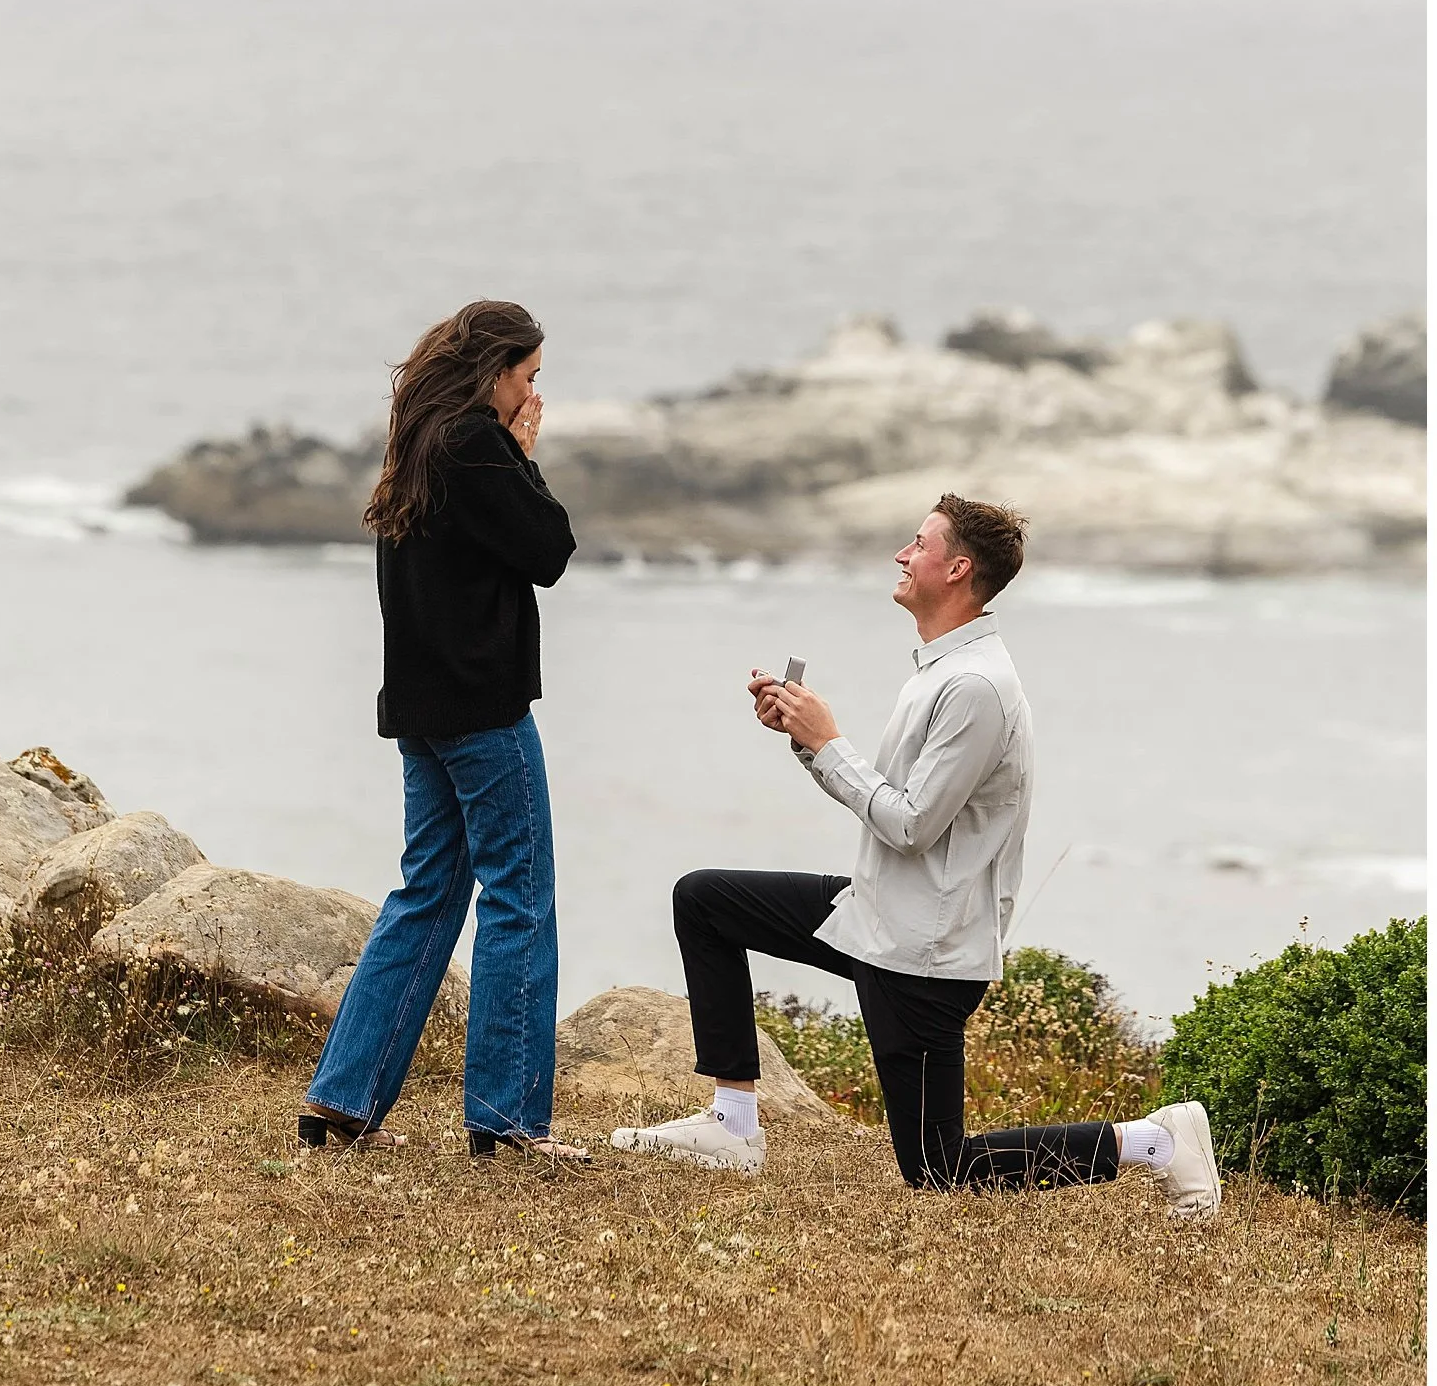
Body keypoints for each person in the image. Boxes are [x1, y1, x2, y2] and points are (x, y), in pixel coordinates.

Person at [612, 493, 1221, 1217]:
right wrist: (807, 742)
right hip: (880, 914)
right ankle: (732, 1126)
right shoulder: (942, 669)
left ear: (957, 568)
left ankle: (1156, 1140)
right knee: (706, 900)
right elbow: (898, 800)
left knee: (938, 1167)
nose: (903, 555)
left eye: (918, 543)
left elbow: (909, 825)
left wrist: (829, 741)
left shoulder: (975, 686)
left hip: (922, 951)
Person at [298, 299, 589, 1164]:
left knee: (426, 894)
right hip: (481, 711)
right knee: (519, 896)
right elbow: (548, 550)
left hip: (422, 713)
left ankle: (342, 1100)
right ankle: (505, 1119)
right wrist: (526, 460)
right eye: (528, 378)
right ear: (495, 370)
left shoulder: (418, 440)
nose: (530, 395)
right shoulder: (474, 441)